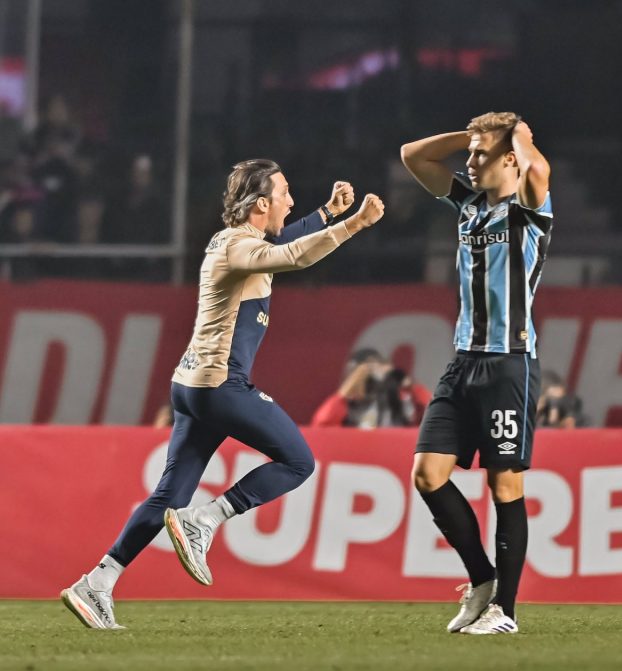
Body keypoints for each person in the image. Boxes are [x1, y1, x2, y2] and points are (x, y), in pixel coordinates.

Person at [60, 159, 385, 629]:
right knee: (298, 462)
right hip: (220, 386)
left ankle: (98, 581)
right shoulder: (238, 245)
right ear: (260, 204)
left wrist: (326, 214)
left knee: (168, 496)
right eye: (284, 192)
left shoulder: (236, 240)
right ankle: (206, 519)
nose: (290, 200)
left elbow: (283, 240)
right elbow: (292, 256)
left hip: (191, 385)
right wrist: (354, 223)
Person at [400, 112, 552, 635]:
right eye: (470, 153)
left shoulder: (528, 211)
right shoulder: (466, 205)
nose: (469, 160)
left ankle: (505, 613)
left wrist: (521, 136)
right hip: (462, 361)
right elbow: (412, 155)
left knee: (505, 485)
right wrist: (470, 136)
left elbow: (540, 173)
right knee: (427, 474)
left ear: (510, 158)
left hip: (510, 362)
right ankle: (482, 581)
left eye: (480, 154)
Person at [310, 348, 432, 428]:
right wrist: (344, 394)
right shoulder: (347, 403)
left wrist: (410, 386)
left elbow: (435, 417)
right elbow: (321, 428)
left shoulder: (406, 396)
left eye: (379, 366)